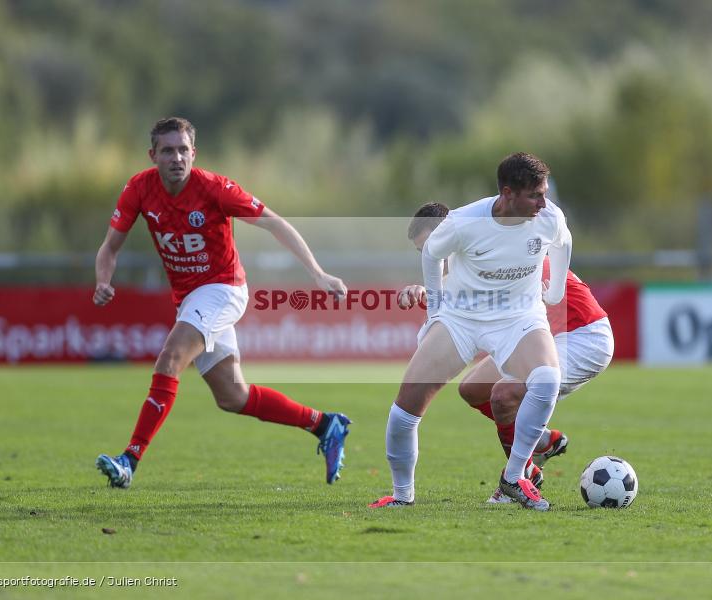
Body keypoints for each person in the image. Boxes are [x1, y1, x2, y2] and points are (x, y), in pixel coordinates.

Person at [93, 117, 351, 488]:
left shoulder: (214, 188)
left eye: (183, 150)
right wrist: (103, 280)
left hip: (224, 289)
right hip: (190, 299)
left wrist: (317, 273)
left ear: (194, 153)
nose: (176, 158)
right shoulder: (139, 189)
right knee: (233, 396)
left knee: (170, 358)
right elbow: (109, 247)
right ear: (153, 156)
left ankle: (129, 460)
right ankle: (325, 424)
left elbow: (274, 223)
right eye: (167, 151)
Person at [370, 152, 571, 511]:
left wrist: (554, 291)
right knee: (404, 411)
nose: (544, 202)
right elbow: (431, 253)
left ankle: (514, 478)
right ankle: (402, 498)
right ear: (508, 194)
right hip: (461, 319)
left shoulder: (548, 218)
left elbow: (564, 241)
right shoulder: (464, 221)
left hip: (518, 317)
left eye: (543, 194)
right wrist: (435, 314)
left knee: (546, 380)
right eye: (535, 195)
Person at [399, 202, 614, 504]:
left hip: (584, 336)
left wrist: (429, 292)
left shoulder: (493, 248)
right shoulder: (481, 254)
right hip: (552, 336)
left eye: (433, 248)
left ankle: (515, 480)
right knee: (472, 390)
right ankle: (537, 445)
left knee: (502, 396)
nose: (431, 256)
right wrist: (425, 291)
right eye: (423, 252)